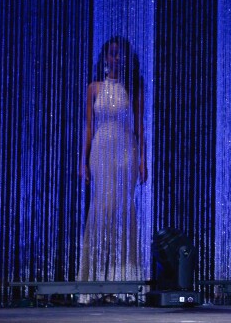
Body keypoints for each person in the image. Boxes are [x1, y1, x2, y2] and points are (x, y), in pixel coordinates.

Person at [78, 36, 147, 291]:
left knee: (122, 209)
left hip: (125, 150)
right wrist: (82, 161)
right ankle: (95, 280)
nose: (115, 58)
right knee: (101, 209)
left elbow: (140, 125)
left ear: (126, 59)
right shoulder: (93, 88)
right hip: (101, 149)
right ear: (105, 57)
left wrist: (143, 160)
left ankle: (123, 282)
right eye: (111, 54)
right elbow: (88, 126)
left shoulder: (133, 87)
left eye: (120, 54)